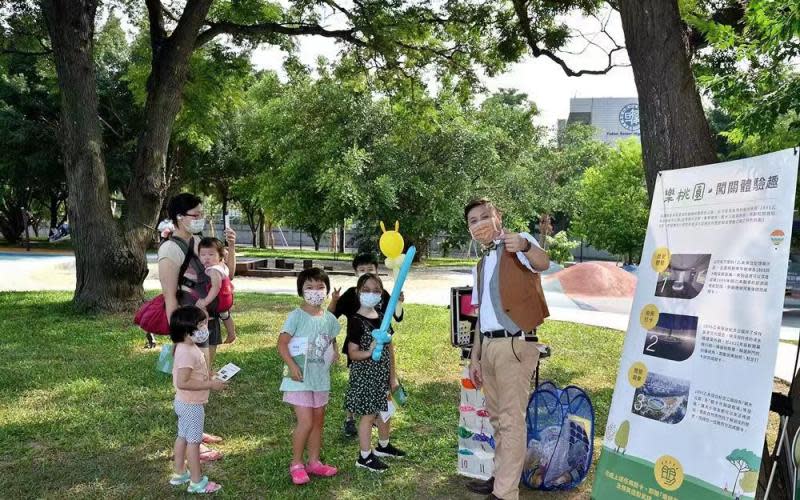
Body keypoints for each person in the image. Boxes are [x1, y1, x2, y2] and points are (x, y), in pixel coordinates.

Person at [463, 198, 550, 500]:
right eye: (473, 220)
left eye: (485, 216)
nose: (479, 224)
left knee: (511, 420)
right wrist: (474, 356)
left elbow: (543, 263)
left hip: (514, 343)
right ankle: (502, 478)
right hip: (488, 346)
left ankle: (505, 493)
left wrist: (525, 246)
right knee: (498, 418)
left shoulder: (518, 243)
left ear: (498, 216)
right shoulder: (480, 263)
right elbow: (479, 314)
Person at [158, 192, 236, 460]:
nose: (200, 219)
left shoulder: (199, 242)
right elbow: (170, 295)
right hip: (187, 328)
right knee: (190, 381)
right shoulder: (171, 249)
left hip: (205, 323)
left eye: (202, 214)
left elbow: (225, 275)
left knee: (204, 375)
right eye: (196, 215)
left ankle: (197, 431)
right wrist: (179, 337)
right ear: (179, 217)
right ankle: (193, 441)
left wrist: (231, 248)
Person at [329, 253, 405, 437]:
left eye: (370, 269)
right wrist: (334, 301)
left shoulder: (383, 293)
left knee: (379, 385)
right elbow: (331, 317)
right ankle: (350, 418)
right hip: (357, 347)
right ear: (355, 273)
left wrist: (399, 303)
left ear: (377, 270)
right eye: (361, 270)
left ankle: (375, 415)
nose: (366, 272)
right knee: (356, 385)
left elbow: (397, 316)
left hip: (381, 348)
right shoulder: (351, 295)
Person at [278, 268, 341, 485]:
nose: (316, 291)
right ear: (301, 291)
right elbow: (282, 343)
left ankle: (314, 462)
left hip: (320, 379)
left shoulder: (329, 318)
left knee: (318, 420)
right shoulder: (296, 316)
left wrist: (335, 350)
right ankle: (296, 463)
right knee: (305, 422)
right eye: (309, 287)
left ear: (327, 290)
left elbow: (330, 337)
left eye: (320, 287)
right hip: (299, 379)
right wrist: (292, 365)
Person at [344, 273, 407, 473]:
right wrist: (369, 352)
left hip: (383, 376)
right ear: (358, 292)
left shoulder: (382, 317)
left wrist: (393, 376)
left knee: (386, 411)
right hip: (365, 378)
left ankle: (383, 445)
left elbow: (390, 347)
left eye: (376, 291)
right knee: (368, 416)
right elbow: (353, 353)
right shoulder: (355, 320)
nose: (372, 294)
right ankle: (364, 456)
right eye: (367, 290)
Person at [168, 306, 228, 494]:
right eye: (201, 324)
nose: (205, 328)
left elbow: (193, 372)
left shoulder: (186, 346)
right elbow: (183, 382)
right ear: (187, 330)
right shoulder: (187, 351)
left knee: (183, 437)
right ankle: (196, 481)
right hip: (191, 404)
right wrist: (210, 385)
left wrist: (209, 374)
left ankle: (179, 473)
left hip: (183, 402)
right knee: (193, 443)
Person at [195, 237, 236, 345]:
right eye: (203, 255)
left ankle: (204, 334)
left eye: (211, 255)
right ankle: (232, 333)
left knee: (203, 310)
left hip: (219, 300)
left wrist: (205, 301)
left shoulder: (214, 270)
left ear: (219, 256)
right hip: (227, 298)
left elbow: (216, 287)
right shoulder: (221, 265)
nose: (206, 258)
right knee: (225, 315)